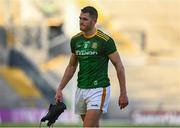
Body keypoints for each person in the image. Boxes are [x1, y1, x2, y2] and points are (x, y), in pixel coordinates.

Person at [55, 6, 128, 127]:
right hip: (81, 88)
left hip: (98, 89)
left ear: (94, 21)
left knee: (87, 126)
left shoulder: (105, 40)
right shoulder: (75, 40)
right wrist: (60, 88)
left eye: (85, 19)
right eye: (80, 18)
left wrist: (123, 93)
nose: (81, 21)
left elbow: (119, 66)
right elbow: (71, 66)